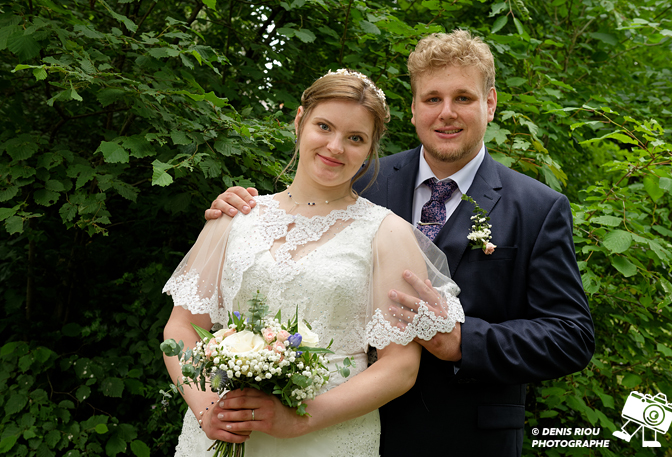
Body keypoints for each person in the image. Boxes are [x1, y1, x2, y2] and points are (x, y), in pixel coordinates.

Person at [205, 30, 595, 456]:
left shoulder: (537, 207)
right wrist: (239, 207)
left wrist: (464, 341)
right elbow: (296, 223)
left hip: (466, 439)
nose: (446, 113)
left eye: (463, 98)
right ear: (413, 109)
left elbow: (570, 336)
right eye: (432, 99)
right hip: (347, 428)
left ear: (491, 104)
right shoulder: (362, 178)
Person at [162, 68, 464, 456]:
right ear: (300, 120)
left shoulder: (388, 234)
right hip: (224, 429)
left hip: (329, 436)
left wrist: (300, 419)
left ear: (371, 149)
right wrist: (207, 409)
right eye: (324, 126)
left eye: (355, 138)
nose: (336, 147)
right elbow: (183, 325)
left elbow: (400, 367)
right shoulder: (236, 216)